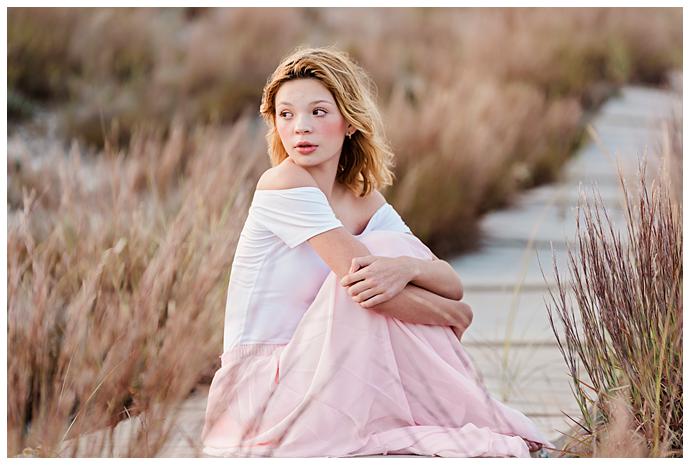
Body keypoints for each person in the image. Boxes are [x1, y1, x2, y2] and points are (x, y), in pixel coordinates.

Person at [201, 46, 552, 457]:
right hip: (261, 393)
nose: (301, 129)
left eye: (318, 112)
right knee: (366, 272)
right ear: (275, 124)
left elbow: (449, 281)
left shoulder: (362, 199)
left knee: (389, 250)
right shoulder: (284, 184)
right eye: (286, 114)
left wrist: (404, 268)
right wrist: (454, 315)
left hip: (320, 368)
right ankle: (457, 408)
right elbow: (364, 283)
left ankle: (454, 409)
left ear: (348, 122)